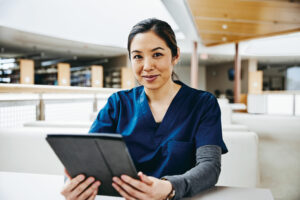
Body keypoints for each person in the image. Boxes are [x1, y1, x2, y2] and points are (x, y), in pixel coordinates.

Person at [61, 18, 228, 200]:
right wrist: (74, 184)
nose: (147, 66)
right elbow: (86, 159)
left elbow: (210, 167)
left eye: (157, 54)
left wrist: (169, 188)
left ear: (175, 55)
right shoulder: (118, 104)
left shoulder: (203, 104)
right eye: (138, 56)